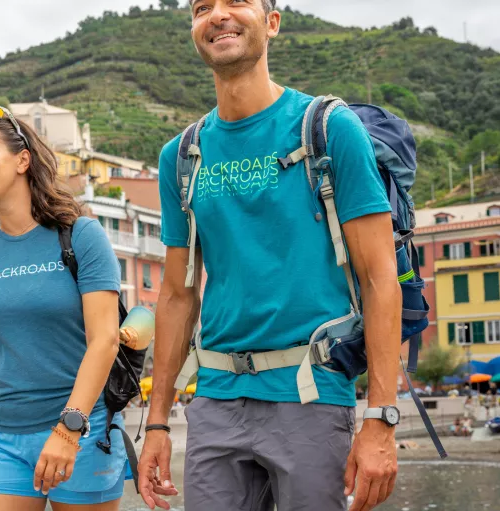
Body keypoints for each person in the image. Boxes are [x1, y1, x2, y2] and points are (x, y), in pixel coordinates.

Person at [138, 2, 401, 511]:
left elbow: (379, 277)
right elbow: (176, 294)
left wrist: (381, 417)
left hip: (310, 393)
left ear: (272, 23)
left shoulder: (328, 128)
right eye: (201, 8)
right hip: (214, 398)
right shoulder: (182, 156)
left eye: (236, 2)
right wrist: (156, 422)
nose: (218, 15)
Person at [0, 106, 126, 511]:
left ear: (23, 160)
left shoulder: (80, 236)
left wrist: (68, 429)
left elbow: (105, 340)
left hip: (81, 430)